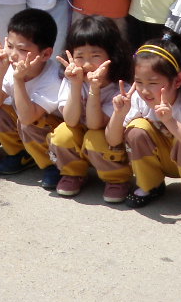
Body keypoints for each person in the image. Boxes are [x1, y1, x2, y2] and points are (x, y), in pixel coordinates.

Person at [107, 34, 181, 221]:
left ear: (178, 80)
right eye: (139, 82)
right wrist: (119, 114)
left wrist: (170, 122)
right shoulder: (137, 97)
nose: (144, 90)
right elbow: (112, 140)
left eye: (152, 83)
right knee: (136, 129)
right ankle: (150, 184)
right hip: (165, 158)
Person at [47, 15, 134, 201]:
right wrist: (76, 85)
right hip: (82, 132)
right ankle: (73, 173)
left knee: (94, 137)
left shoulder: (121, 87)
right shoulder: (73, 79)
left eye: (95, 56)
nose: (86, 64)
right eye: (79, 56)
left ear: (112, 55)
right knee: (63, 132)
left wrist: (94, 89)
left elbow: (95, 125)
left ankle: (116, 179)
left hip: (108, 138)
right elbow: (70, 120)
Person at [0, 8, 63, 184]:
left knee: (28, 123)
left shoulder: (54, 78)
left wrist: (18, 80)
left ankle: (54, 164)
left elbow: (27, 117)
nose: (12, 54)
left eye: (21, 49)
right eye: (10, 46)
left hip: (56, 133)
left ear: (46, 54)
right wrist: (0, 70)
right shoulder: (12, 66)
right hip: (30, 122)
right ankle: (22, 154)